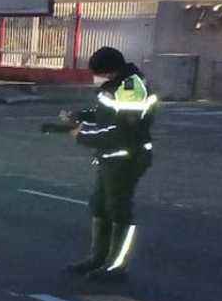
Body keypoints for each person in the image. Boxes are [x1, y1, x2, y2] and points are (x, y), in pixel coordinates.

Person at [63, 46, 155, 282]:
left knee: (119, 208)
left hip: (128, 157)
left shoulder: (132, 88)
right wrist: (80, 115)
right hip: (110, 157)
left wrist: (81, 135)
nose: (96, 78)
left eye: (99, 73)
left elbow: (121, 131)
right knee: (100, 205)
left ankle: (116, 266)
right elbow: (105, 113)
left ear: (111, 70)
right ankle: (97, 258)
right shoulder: (114, 86)